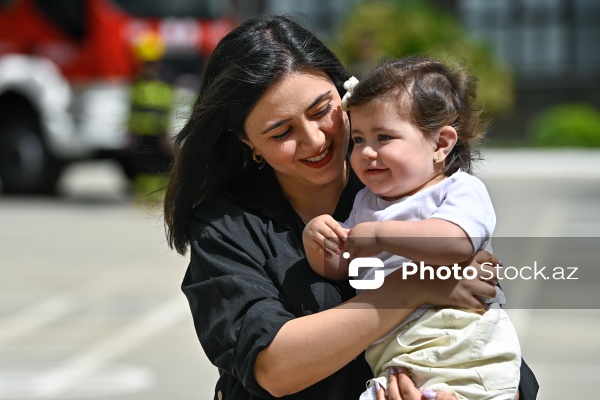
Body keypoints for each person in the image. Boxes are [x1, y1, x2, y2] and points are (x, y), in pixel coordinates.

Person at [162, 15, 539, 400]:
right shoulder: (226, 225)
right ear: (247, 141)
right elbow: (272, 366)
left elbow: (483, 335)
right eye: (282, 132)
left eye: (321, 110)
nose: (314, 140)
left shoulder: (410, 183)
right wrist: (412, 287)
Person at [302, 56, 520, 400]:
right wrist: (318, 240)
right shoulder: (366, 202)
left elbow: (457, 242)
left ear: (441, 144)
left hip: (461, 343)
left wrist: (380, 235)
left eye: (383, 137)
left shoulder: (458, 190)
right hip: (396, 354)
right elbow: (341, 266)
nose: (367, 152)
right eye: (358, 139)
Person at [127, 31, 174, 202]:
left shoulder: (164, 81)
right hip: (141, 133)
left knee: (159, 165)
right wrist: (131, 131)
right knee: (141, 165)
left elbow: (167, 108)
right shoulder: (137, 81)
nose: (147, 66)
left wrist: (165, 132)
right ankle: (144, 196)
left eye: (150, 63)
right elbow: (133, 108)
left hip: (157, 133)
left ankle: (157, 197)